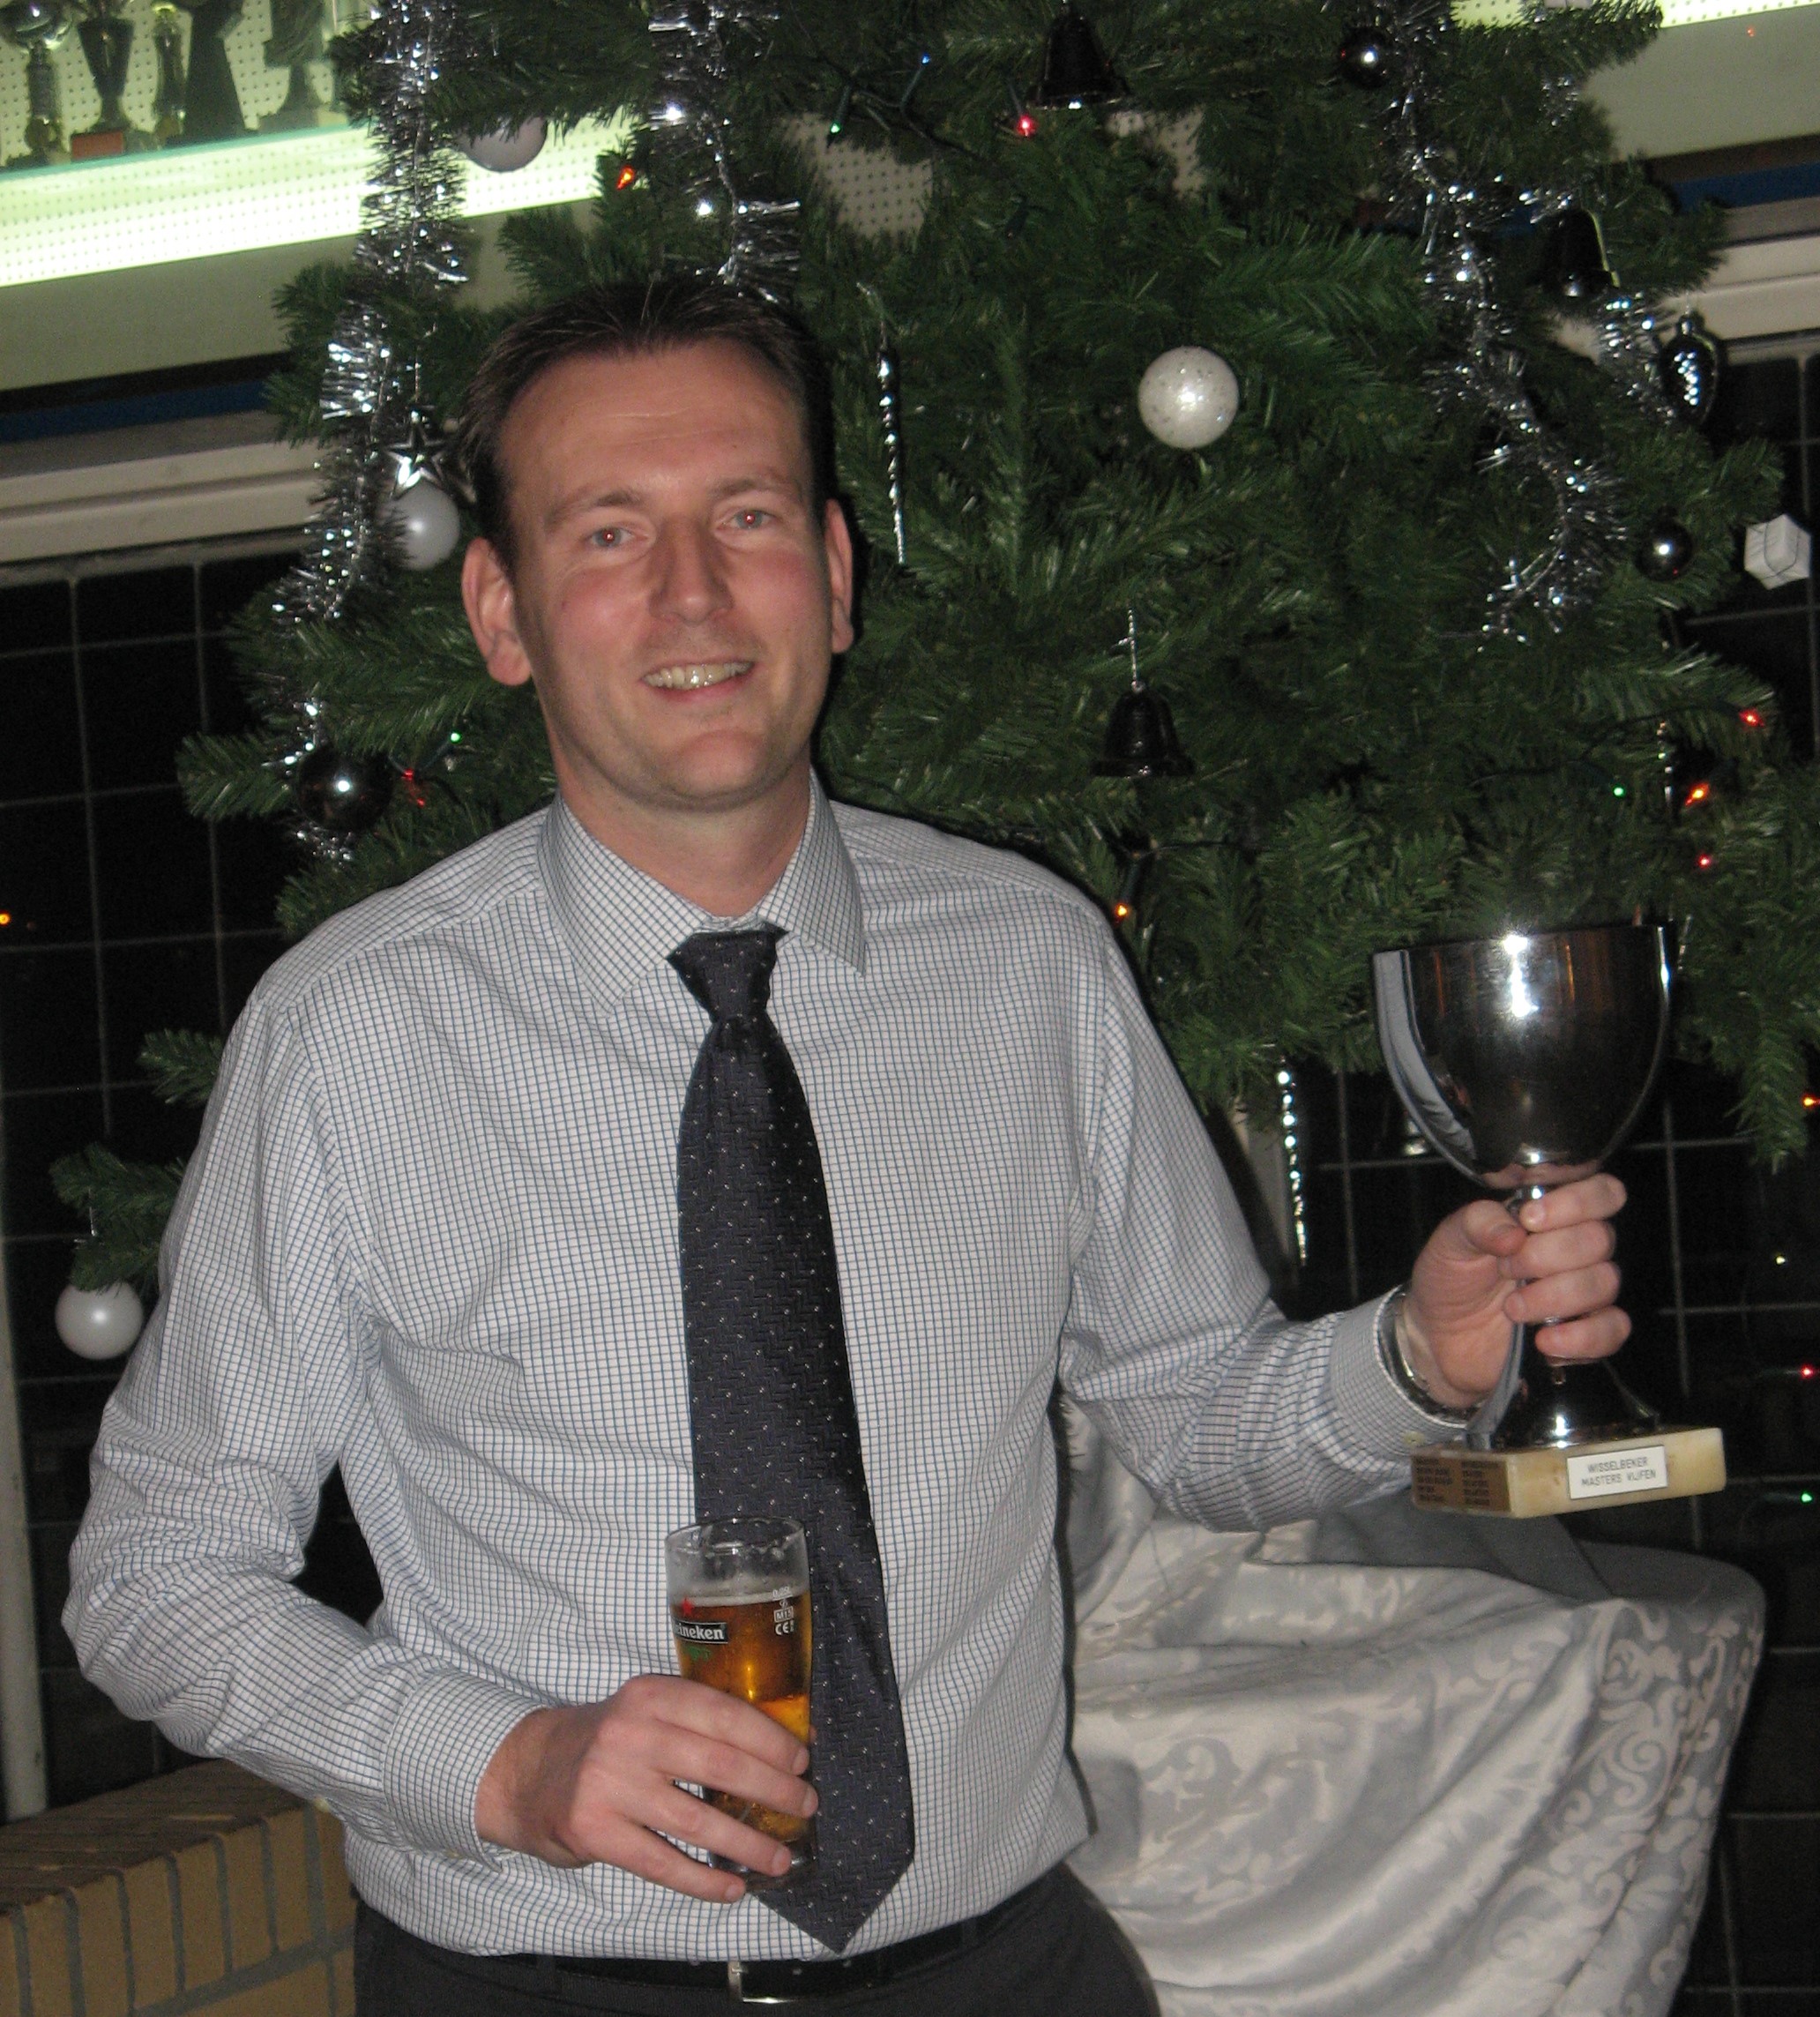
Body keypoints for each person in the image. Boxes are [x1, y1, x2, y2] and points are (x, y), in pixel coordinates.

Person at [67, 279, 1631, 2016]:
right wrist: (501, 1764)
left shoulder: (1029, 962)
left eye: (745, 516)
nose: (692, 592)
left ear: (833, 571)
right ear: (502, 612)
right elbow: (154, 1577)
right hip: (539, 1987)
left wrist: (1419, 1358)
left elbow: (1193, 1410)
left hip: (1005, 1977)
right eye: (610, 533)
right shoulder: (356, 1033)